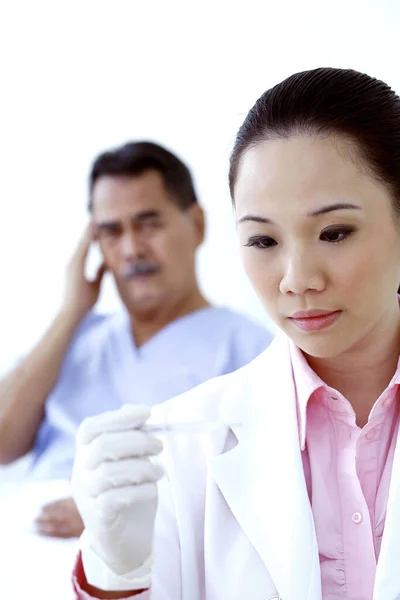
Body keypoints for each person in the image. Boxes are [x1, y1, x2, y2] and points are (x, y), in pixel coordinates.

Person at [70, 66, 400, 600]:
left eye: (334, 232)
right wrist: (115, 574)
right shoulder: (183, 444)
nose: (297, 280)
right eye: (263, 241)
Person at [0, 141, 271, 540]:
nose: (130, 248)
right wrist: (71, 311)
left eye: (148, 224)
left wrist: (120, 512)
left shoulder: (250, 350)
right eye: (110, 231)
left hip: (146, 561)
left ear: (196, 224)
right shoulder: (72, 340)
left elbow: (265, 491)